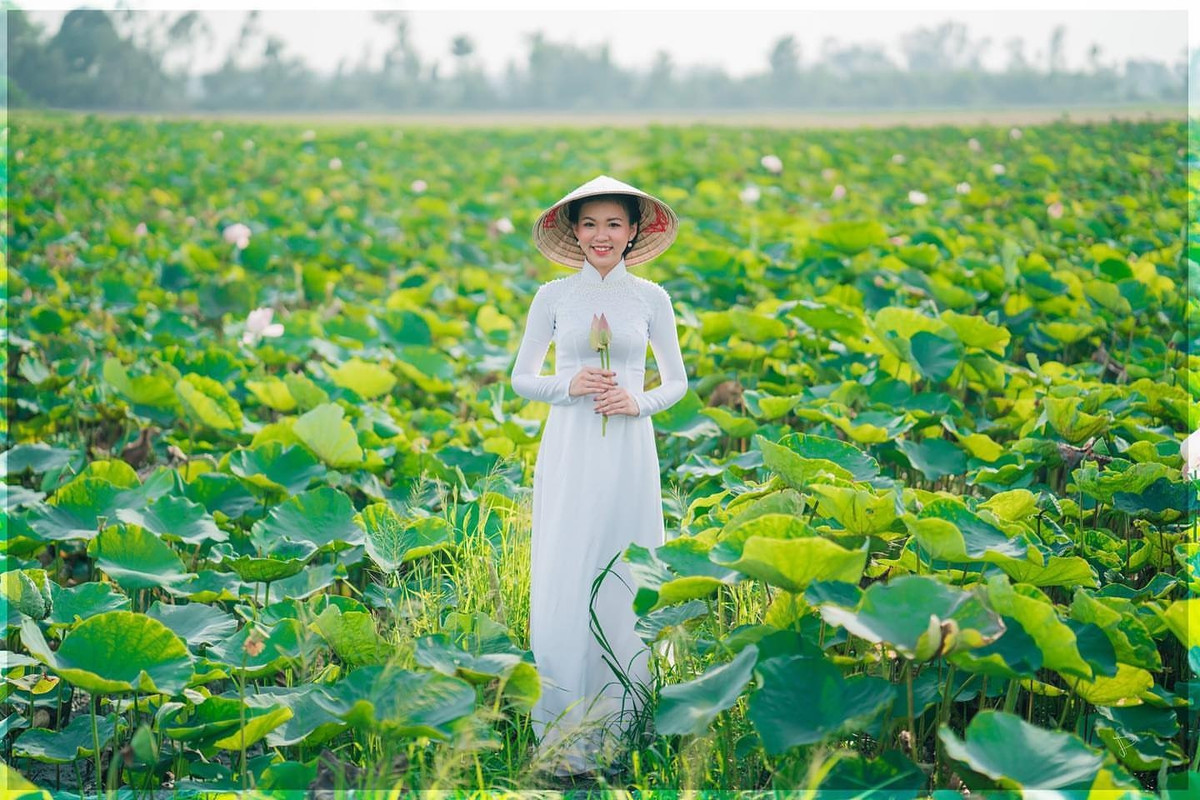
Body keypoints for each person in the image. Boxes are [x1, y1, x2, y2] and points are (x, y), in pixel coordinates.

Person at [510, 175, 688, 778]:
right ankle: (562, 736)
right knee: (570, 565)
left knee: (626, 564)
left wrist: (639, 403)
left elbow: (678, 381)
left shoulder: (653, 299)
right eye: (589, 224)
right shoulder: (553, 297)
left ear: (635, 230)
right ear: (574, 232)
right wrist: (570, 385)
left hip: (630, 450)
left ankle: (627, 723)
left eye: (614, 224)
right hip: (570, 445)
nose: (601, 235)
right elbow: (521, 379)